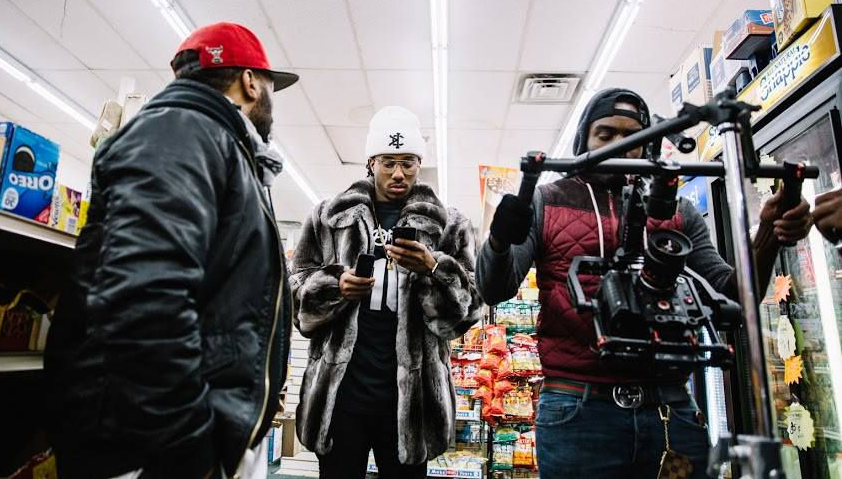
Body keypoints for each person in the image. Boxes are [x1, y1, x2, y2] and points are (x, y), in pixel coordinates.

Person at [476, 88, 811, 479]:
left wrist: (768, 233)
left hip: (670, 411)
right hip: (578, 410)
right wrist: (499, 240)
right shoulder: (546, 201)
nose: (619, 145)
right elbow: (493, 289)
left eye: (631, 136)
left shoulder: (678, 211)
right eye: (605, 134)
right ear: (584, 139)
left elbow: (734, 297)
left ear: (648, 145)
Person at [44, 22, 298, 479]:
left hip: (171, 438)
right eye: (270, 86)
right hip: (151, 450)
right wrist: (190, 449)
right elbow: (143, 297)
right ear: (249, 82)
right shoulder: (181, 135)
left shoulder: (211, 143)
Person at [290, 106, 482, 479]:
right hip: (341, 396)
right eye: (388, 162)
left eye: (408, 162)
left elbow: (471, 309)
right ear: (371, 162)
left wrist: (433, 267)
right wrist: (335, 287)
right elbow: (295, 293)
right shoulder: (328, 218)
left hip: (413, 403)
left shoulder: (449, 225)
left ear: (419, 164)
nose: (398, 173)